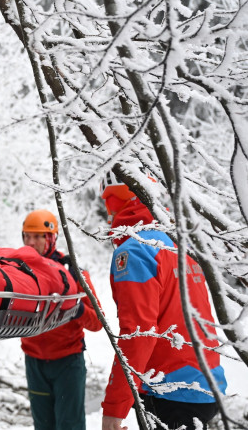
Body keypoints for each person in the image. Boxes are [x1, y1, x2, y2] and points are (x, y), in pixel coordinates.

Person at [99, 171, 227, 430]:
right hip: (205, 385)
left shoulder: (135, 251)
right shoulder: (178, 243)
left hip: (169, 393)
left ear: (114, 199)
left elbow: (138, 335)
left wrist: (114, 410)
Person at [19, 209, 103, 430]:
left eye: (38, 236)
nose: (31, 242)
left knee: (70, 425)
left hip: (68, 362)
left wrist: (76, 310)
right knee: (43, 426)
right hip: (34, 362)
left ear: (52, 238)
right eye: (27, 236)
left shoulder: (74, 273)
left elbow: (98, 322)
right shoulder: (18, 271)